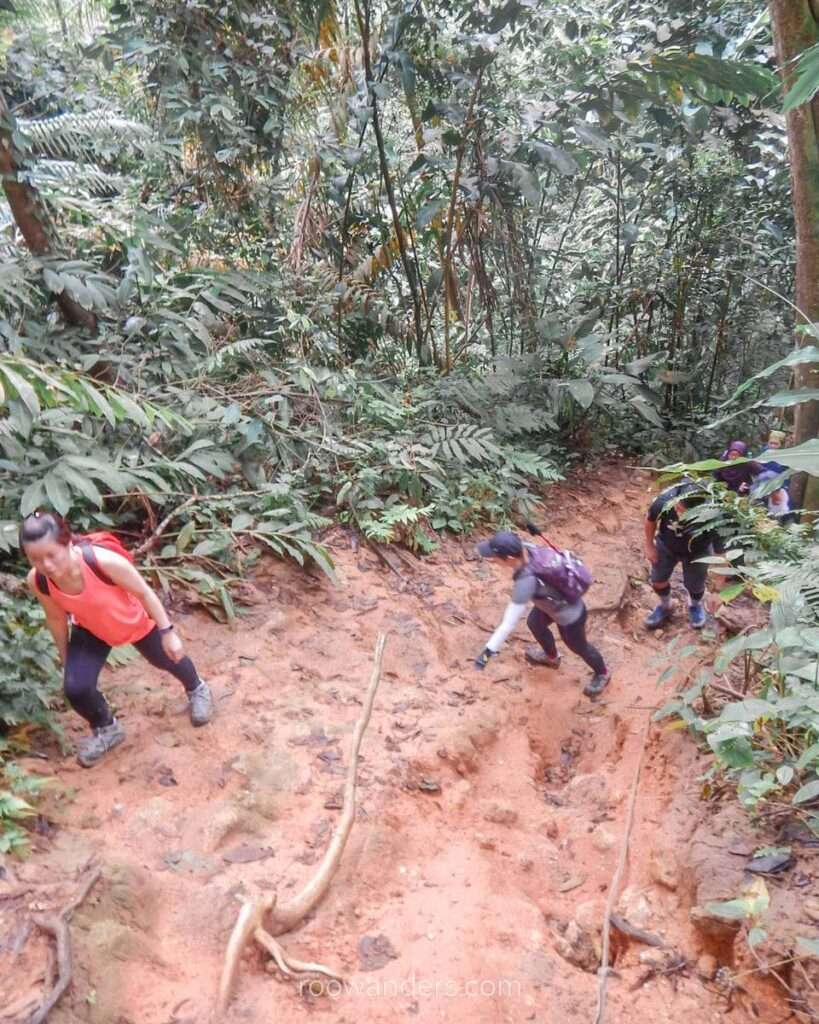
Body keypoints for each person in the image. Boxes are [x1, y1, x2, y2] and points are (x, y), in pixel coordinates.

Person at [20, 511, 214, 767]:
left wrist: (168, 633)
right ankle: (107, 729)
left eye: (51, 555)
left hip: (133, 620)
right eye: (35, 559)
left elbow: (145, 593)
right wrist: (66, 660)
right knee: (76, 687)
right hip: (91, 629)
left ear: (67, 544)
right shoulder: (39, 581)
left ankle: (197, 688)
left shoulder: (103, 562)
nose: (47, 566)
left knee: (168, 658)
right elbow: (56, 618)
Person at [472, 531, 610, 699]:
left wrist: (485, 656)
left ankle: (602, 673)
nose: (491, 559)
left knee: (578, 646)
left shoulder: (526, 582)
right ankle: (551, 657)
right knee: (534, 623)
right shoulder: (527, 549)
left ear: (509, 558)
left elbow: (508, 624)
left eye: (494, 556)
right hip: (551, 601)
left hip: (569, 615)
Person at [644, 483, 723, 630]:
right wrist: (649, 545)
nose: (679, 514)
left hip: (698, 551)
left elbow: (721, 553)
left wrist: (719, 591)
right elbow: (650, 520)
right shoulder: (665, 500)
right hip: (667, 544)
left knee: (695, 586)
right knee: (657, 580)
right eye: (678, 508)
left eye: (685, 512)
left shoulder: (714, 515)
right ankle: (666, 605)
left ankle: (694, 606)